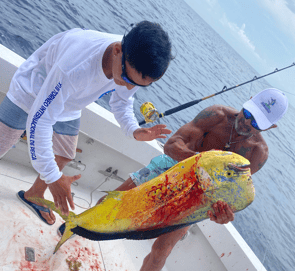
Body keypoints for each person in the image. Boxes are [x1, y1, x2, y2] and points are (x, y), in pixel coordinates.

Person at [98, 88, 288, 271]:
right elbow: (171, 145)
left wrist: (222, 213)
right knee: (112, 201)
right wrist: (201, 162)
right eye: (248, 113)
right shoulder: (216, 116)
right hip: (172, 166)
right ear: (248, 100)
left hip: (199, 195)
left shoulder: (257, 154)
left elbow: (230, 193)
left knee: (162, 249)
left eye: (256, 122)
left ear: (271, 127)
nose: (246, 122)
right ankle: (78, 225)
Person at [0, 21, 173, 225]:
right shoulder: (75, 66)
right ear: (117, 50)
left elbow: (122, 101)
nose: (128, 86)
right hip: (31, 91)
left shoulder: (132, 62)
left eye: (136, 85)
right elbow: (40, 119)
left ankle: (34, 195)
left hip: (69, 104)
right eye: (127, 78)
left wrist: (133, 130)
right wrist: (53, 177)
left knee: (64, 154)